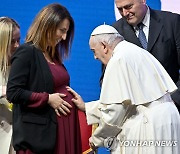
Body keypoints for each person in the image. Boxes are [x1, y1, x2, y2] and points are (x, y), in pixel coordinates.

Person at [67, 24, 180, 154]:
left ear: (104, 46)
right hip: (167, 118)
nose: (95, 57)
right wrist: (87, 107)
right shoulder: (135, 51)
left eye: (94, 51)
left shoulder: (118, 59)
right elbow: (129, 99)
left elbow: (115, 110)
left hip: (149, 125)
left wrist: (97, 138)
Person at [6, 3, 82, 154]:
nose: (64, 37)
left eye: (66, 32)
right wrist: (47, 99)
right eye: (62, 31)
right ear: (48, 24)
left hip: (62, 132)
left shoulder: (52, 54)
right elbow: (13, 92)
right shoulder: (26, 52)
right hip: (39, 138)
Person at [112, 0, 180, 105]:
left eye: (128, 7)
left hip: (173, 107)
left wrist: (174, 100)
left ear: (143, 0)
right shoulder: (115, 32)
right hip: (136, 113)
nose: (125, 13)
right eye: (120, 9)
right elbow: (109, 78)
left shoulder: (172, 22)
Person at [0, 17, 20, 154]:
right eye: (12, 41)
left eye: (19, 40)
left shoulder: (22, 66)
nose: (17, 46)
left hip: (19, 142)